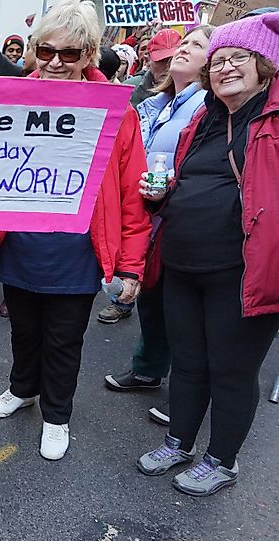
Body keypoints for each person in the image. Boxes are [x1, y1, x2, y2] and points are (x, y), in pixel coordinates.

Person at [0, 0, 151, 461]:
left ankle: (57, 415)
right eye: (46, 51)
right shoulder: (11, 99)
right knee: (23, 331)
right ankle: (23, 389)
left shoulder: (118, 113)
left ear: (89, 55)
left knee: (63, 340)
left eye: (70, 53)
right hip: (21, 245)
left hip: (79, 253)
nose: (55, 61)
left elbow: (131, 194)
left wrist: (131, 266)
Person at [137, 13, 279, 497]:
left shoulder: (274, 120)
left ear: (265, 66)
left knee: (232, 370)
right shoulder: (205, 118)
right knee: (190, 362)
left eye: (239, 58)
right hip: (182, 264)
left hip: (241, 273)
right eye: (218, 61)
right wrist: (160, 194)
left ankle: (222, 460)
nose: (226, 68)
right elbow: (189, 181)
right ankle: (179, 441)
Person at [104, 26, 214, 428]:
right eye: (182, 44)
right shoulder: (158, 100)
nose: (184, 49)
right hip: (147, 213)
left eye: (196, 45)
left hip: (178, 217)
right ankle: (147, 369)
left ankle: (186, 394)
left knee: (181, 309)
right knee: (150, 297)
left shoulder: (209, 105)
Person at [125, 29, 181, 107]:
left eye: (173, 60)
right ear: (147, 60)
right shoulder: (129, 89)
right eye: (161, 61)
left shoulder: (194, 94)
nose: (168, 66)